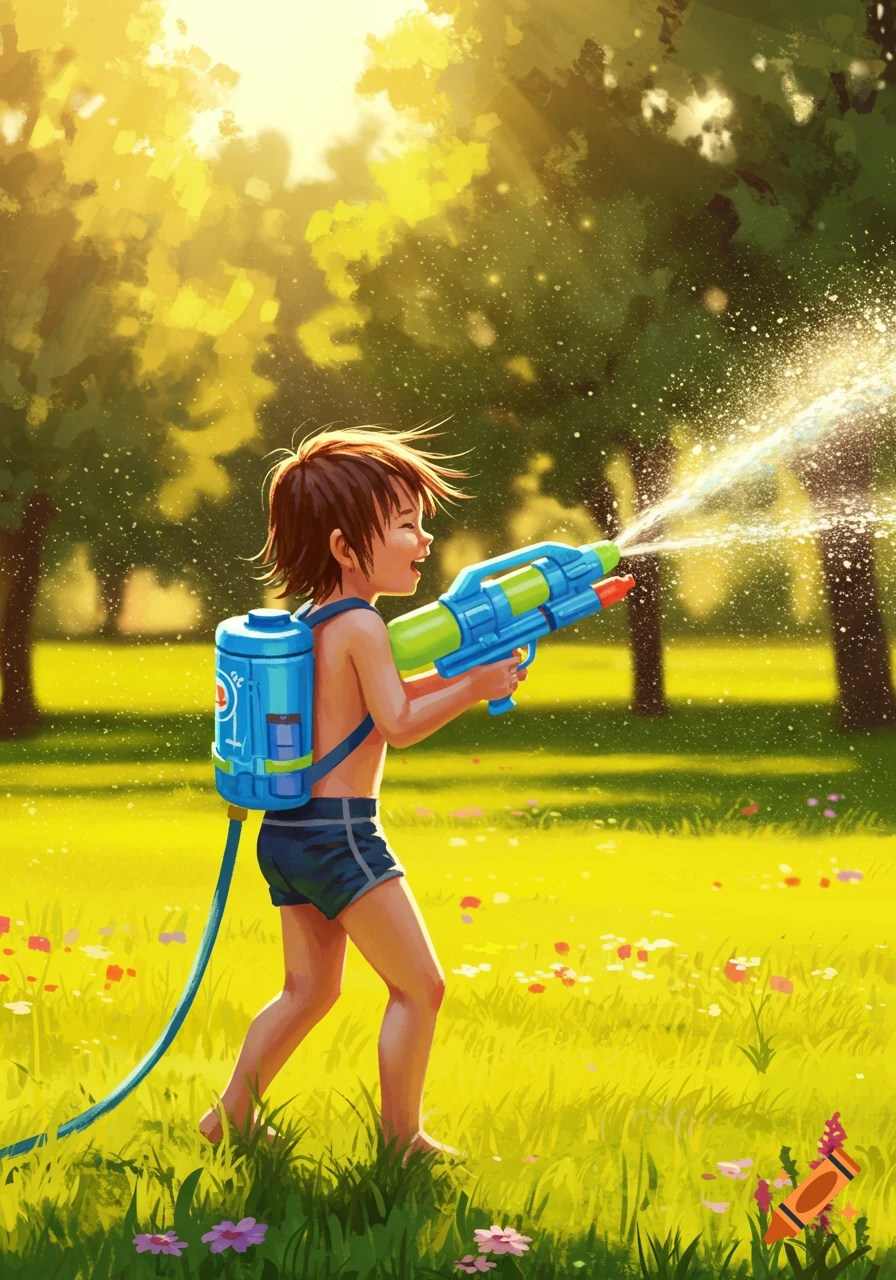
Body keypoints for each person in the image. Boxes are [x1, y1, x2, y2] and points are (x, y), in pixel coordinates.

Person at [199, 425, 525, 1166]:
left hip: (288, 833)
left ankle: (230, 1119)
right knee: (421, 988)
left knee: (307, 992)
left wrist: (469, 671)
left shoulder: (314, 623)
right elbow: (397, 723)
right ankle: (403, 1142)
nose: (423, 539)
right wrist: (473, 689)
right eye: (406, 523)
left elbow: (375, 698)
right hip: (341, 835)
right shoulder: (364, 623)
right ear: (346, 548)